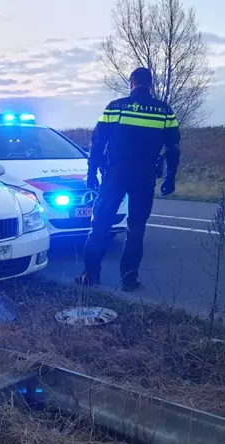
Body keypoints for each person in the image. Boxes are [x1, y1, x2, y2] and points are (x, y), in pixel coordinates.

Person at [76, 67, 181, 291]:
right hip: (145, 176)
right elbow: (173, 148)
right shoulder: (164, 111)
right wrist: (170, 178)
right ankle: (129, 281)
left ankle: (90, 277)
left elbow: (97, 143)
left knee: (100, 225)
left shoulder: (115, 107)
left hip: (115, 175)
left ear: (130, 84)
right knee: (136, 229)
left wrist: (91, 173)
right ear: (150, 85)